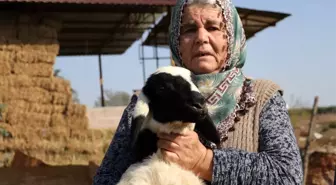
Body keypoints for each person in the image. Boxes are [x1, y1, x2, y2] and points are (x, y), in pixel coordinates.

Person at [92, 0, 303, 184]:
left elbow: (288, 176)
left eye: (213, 27)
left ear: (230, 38)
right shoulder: (148, 99)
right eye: (190, 29)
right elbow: (106, 178)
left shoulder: (262, 97)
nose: (201, 38)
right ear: (177, 42)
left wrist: (206, 162)